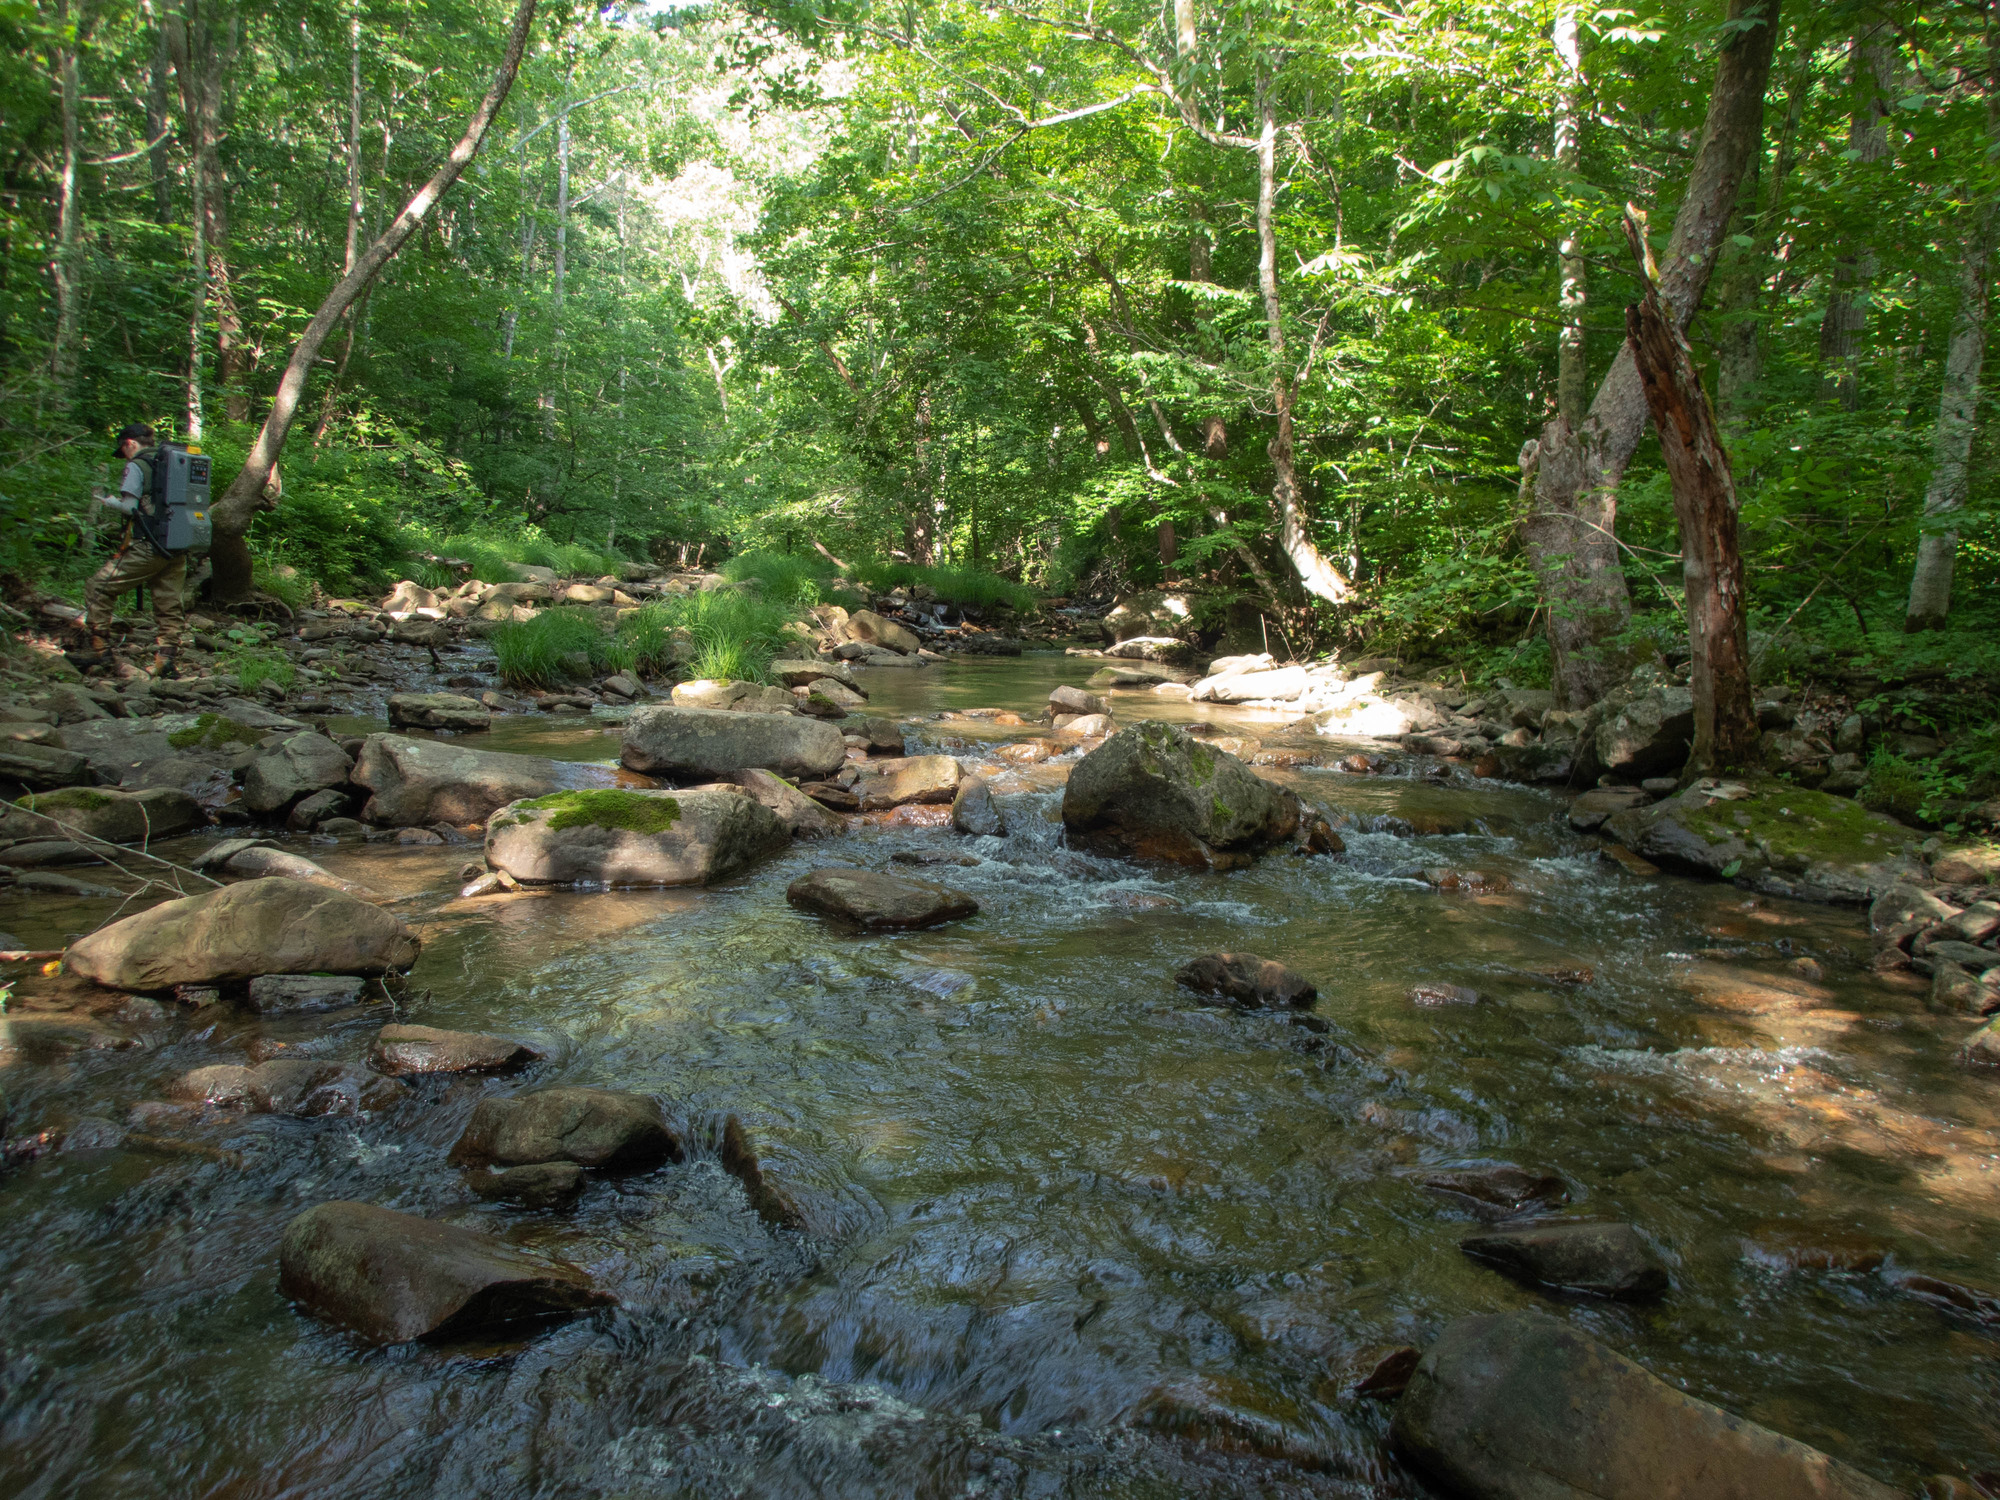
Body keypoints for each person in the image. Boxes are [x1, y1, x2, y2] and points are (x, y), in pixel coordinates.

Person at [83, 423, 185, 675]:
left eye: (123, 450)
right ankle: (166, 660)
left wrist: (110, 502)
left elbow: (130, 507)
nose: (124, 456)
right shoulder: (174, 461)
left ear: (130, 443)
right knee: (168, 602)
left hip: (149, 544)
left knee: (98, 586)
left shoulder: (137, 466)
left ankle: (100, 652)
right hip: (179, 543)